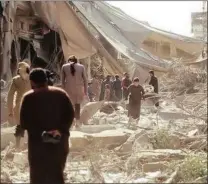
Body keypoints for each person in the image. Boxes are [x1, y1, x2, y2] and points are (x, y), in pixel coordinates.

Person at [20, 68, 74, 184]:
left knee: (38, 177)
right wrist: (59, 131)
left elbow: (24, 122)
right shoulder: (61, 94)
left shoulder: (28, 98)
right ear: (46, 80)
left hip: (38, 145)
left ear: (32, 82)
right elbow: (70, 115)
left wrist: (42, 133)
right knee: (56, 174)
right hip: (59, 141)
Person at [7, 61, 31, 149]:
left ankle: (17, 146)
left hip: (19, 106)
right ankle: (29, 146)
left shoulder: (16, 80)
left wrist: (10, 110)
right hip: (31, 106)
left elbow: (10, 95)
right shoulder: (33, 79)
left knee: (19, 125)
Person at [61, 55, 87, 128]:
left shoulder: (64, 67)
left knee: (70, 106)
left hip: (68, 89)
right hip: (79, 89)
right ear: (76, 61)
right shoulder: (81, 67)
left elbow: (62, 81)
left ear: (69, 60)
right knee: (77, 105)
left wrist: (63, 90)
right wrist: (86, 92)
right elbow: (85, 80)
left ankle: (71, 122)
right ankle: (77, 122)